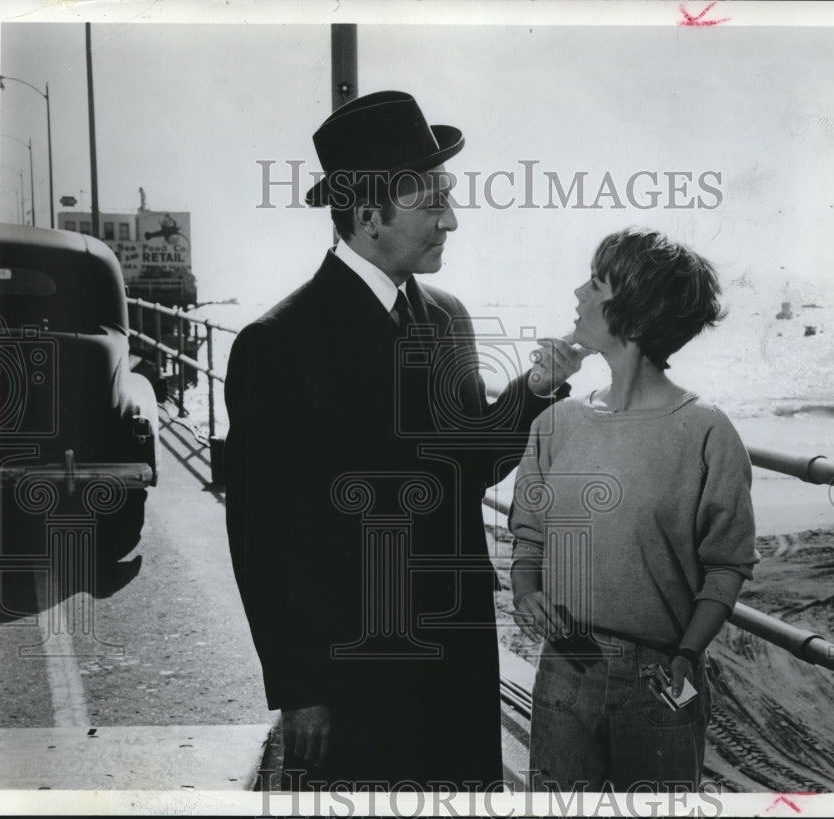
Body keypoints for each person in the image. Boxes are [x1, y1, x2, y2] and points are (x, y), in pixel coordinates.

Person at [224, 90, 585, 789]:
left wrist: (534, 390)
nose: (452, 219)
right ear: (368, 215)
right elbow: (260, 536)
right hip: (353, 670)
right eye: (432, 203)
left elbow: (470, 463)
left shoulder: (447, 318)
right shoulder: (278, 344)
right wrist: (299, 689)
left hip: (457, 653)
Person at [509, 227, 758, 792]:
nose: (577, 293)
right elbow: (529, 538)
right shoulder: (555, 422)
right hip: (562, 671)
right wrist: (528, 592)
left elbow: (727, 564)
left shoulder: (707, 432)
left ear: (637, 314)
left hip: (660, 679)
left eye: (596, 283)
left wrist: (689, 652)